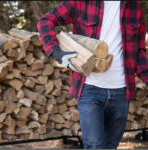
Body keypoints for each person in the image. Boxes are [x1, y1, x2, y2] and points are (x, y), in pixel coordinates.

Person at [37, 1, 148, 149]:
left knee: (110, 146)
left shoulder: (134, 5)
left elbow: (138, 51)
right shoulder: (82, 2)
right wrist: (55, 51)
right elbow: (46, 21)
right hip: (89, 89)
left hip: (121, 91)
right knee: (94, 146)